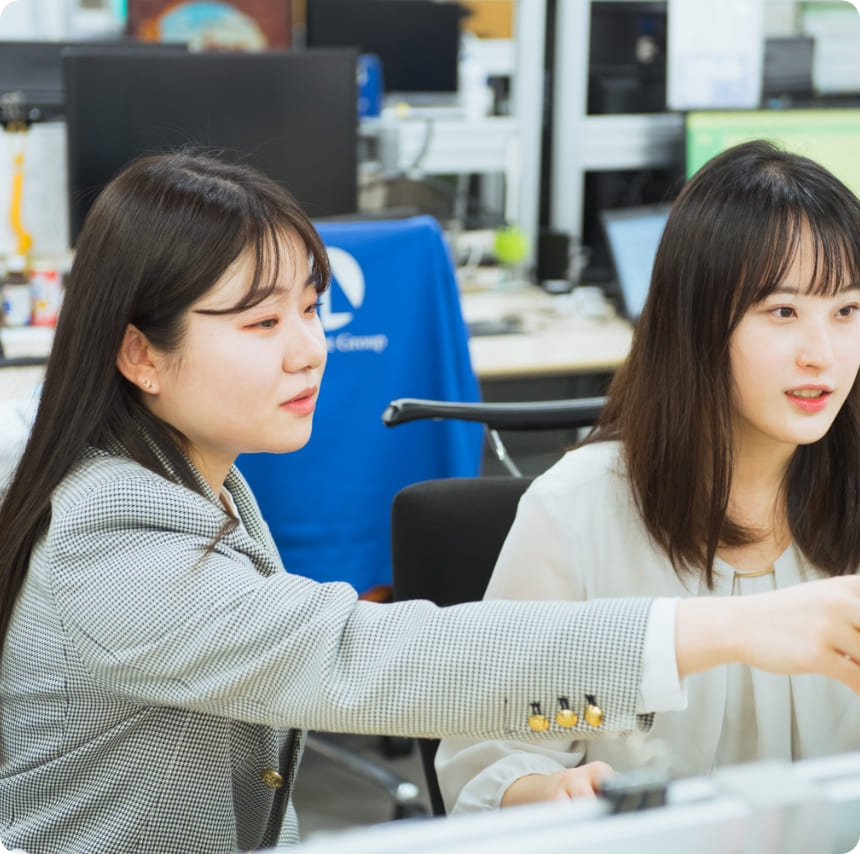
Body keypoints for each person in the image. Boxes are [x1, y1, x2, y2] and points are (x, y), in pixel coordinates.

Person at [1, 150, 860, 854]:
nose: (311, 350)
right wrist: (737, 629)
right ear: (141, 356)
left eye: (313, 308)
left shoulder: (203, 489)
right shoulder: (111, 537)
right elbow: (362, 660)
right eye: (262, 324)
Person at [436, 139, 860, 814]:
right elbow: (491, 759)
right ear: (697, 324)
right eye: (783, 313)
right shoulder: (576, 511)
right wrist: (555, 790)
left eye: (846, 311)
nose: (823, 355)